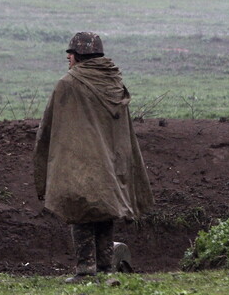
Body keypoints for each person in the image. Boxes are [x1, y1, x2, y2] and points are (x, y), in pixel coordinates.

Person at [33, 32, 154, 283]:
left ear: (79, 56)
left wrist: (45, 161)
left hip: (81, 161)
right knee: (105, 212)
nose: (68, 57)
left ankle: (85, 271)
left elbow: (50, 126)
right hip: (111, 162)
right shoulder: (114, 83)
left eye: (71, 52)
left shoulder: (68, 84)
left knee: (81, 213)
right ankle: (106, 270)